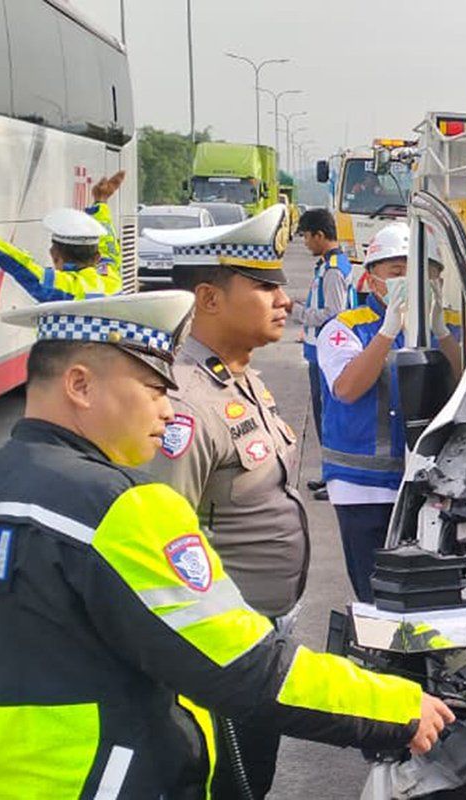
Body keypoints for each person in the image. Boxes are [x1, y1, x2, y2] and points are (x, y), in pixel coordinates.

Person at [0, 290, 453, 799]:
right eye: (154, 390)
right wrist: (398, 706)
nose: (168, 412)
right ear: (80, 386)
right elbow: (248, 667)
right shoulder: (121, 507)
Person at [144, 206, 308, 796]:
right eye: (265, 286)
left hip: (260, 636)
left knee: (253, 776)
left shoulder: (241, 378)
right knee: (227, 785)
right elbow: (161, 540)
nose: (283, 299)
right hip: (218, 651)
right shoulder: (183, 402)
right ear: (208, 299)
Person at [317, 223, 460, 601]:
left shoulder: (448, 331)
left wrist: (440, 332)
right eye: (397, 273)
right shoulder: (344, 329)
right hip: (362, 485)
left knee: (430, 594)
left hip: (429, 482)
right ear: (372, 280)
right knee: (375, 593)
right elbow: (347, 389)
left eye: (424, 274)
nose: (410, 281)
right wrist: (387, 332)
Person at [0, 170, 126, 302]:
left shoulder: (59, 287)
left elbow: (19, 263)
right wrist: (101, 202)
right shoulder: (111, 278)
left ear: (54, 256)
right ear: (97, 258)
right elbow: (108, 246)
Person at [291, 208, 355, 501]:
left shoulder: (332, 270)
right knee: (324, 416)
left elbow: (334, 313)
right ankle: (330, 474)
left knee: (329, 417)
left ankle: (336, 477)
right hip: (320, 352)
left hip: (327, 353)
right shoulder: (328, 264)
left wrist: (297, 312)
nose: (304, 242)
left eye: (306, 236)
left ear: (319, 234)